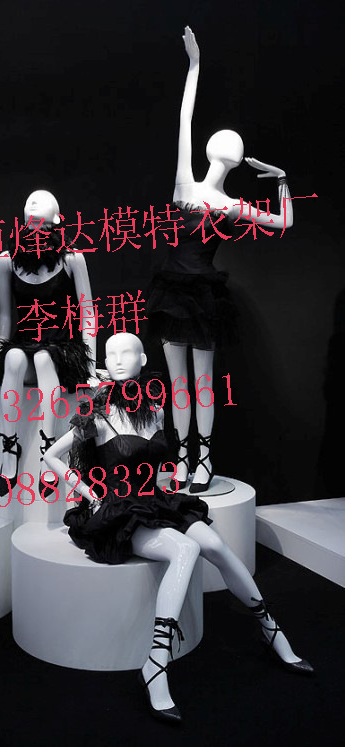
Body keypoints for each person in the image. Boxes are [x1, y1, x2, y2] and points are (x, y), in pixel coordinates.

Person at [43, 333, 312, 723]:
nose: (117, 360)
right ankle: (156, 662)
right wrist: (89, 493)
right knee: (186, 549)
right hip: (121, 510)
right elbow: (52, 455)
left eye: (126, 352)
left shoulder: (154, 406)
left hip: (156, 500)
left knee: (215, 545)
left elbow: (153, 460)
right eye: (110, 353)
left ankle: (272, 630)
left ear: (143, 359)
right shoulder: (97, 415)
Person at [147, 27, 293, 493]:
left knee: (202, 382)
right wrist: (193, 66)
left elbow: (283, 222)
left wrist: (282, 179)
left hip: (203, 295)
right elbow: (184, 120)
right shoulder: (184, 185)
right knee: (179, 383)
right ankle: (182, 460)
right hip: (173, 292)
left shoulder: (230, 205)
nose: (229, 147)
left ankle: (204, 459)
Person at [0, 190, 96, 496]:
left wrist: (90, 368)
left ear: (57, 218)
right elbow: (5, 316)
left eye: (43, 198)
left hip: (61, 348)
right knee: (13, 358)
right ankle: (9, 448)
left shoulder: (72, 258)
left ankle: (48, 450)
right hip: (24, 345)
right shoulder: (7, 260)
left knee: (43, 359)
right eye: (30, 199)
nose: (34, 200)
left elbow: (88, 312)